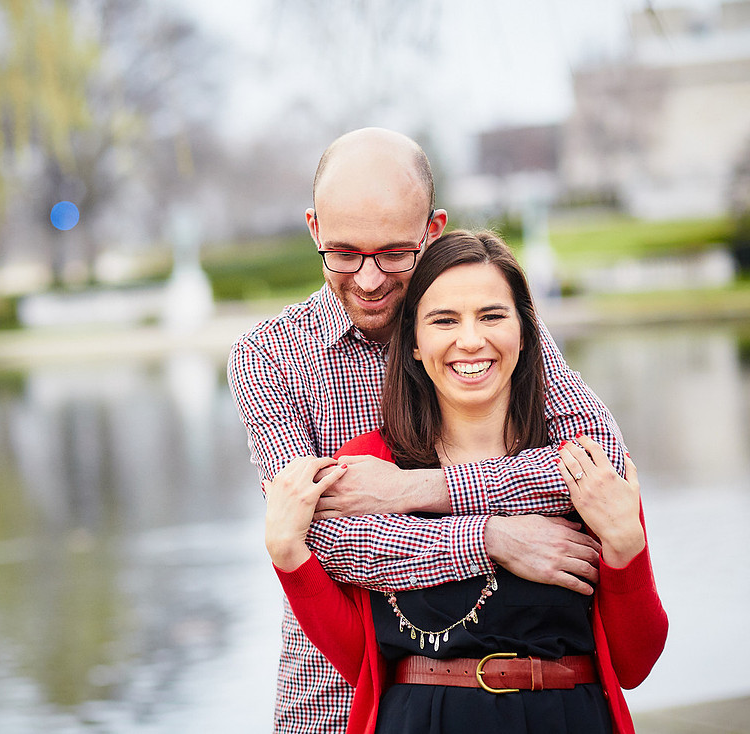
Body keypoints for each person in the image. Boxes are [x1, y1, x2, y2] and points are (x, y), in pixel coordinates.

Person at [228, 127, 622, 733]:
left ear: (432, 231)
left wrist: (415, 491)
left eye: (392, 252)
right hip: (334, 697)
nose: (367, 279)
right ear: (313, 230)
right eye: (343, 253)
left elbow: (603, 469)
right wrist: (492, 538)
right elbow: (324, 545)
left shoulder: (483, 332)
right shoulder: (269, 356)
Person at [264, 230, 668, 734]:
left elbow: (637, 662)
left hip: (566, 718)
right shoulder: (369, 467)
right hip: (421, 722)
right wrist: (288, 557)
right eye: (444, 321)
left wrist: (627, 545)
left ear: (525, 330)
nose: (471, 340)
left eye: (492, 316)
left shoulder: (582, 463)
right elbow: (358, 661)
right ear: (412, 342)